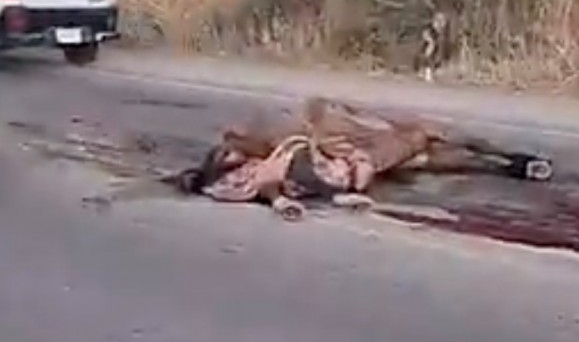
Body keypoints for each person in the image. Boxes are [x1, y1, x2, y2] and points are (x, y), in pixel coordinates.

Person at [169, 97, 554, 220]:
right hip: (353, 160)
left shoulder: (269, 147)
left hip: (345, 148)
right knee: (425, 147)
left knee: (427, 146)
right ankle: (512, 163)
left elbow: (305, 129)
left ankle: (511, 161)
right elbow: (272, 185)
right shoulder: (257, 170)